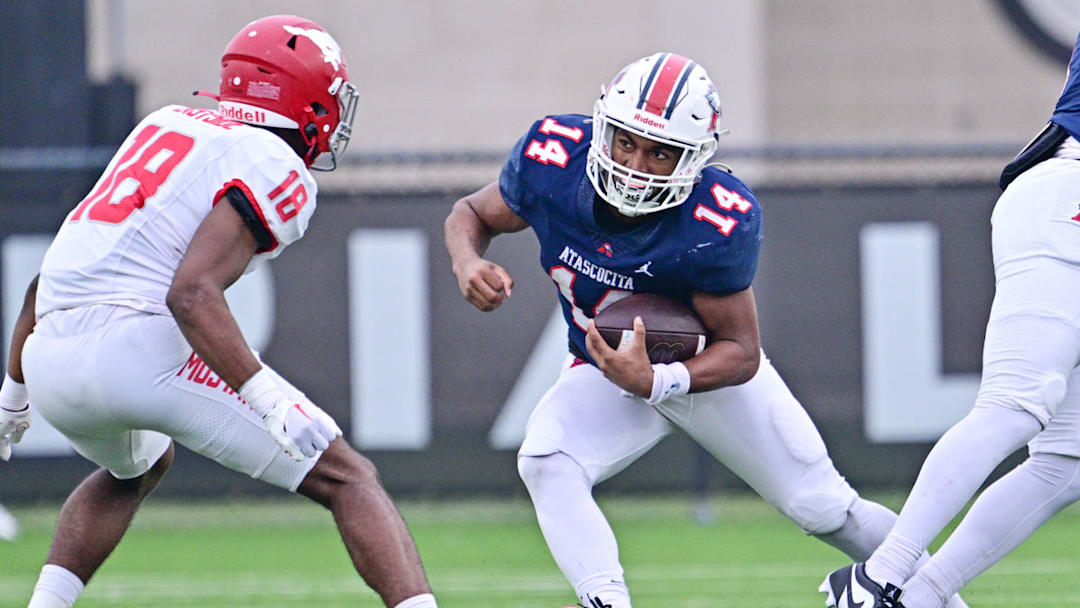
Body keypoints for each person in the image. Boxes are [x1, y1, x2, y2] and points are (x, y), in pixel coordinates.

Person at [444, 52, 967, 608]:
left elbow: (741, 352)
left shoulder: (715, 217)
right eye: (625, 142)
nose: (636, 164)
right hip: (610, 371)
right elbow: (470, 214)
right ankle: (605, 601)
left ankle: (941, 600)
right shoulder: (553, 156)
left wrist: (661, 382)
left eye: (660, 152)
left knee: (826, 508)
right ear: (602, 129)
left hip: (703, 376)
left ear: (693, 158)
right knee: (546, 460)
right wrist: (466, 262)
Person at [0, 15, 437, 608]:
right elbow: (192, 293)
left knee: (138, 467)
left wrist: (12, 396)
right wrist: (270, 400)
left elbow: (47, 276)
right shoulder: (276, 165)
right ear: (303, 99)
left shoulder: (164, 124)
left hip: (47, 358)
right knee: (348, 476)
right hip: (133, 349)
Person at [822, 30, 1080, 608]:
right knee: (1017, 405)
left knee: (1068, 462)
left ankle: (919, 596)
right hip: (1070, 192)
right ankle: (876, 579)